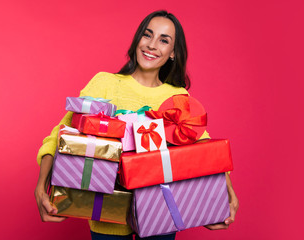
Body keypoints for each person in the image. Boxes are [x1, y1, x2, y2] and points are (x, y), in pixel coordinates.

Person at [35, 10, 239, 240]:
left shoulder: (177, 96)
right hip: (106, 214)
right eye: (147, 35)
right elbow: (61, 134)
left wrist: (226, 194)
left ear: (173, 53)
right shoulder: (105, 83)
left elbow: (205, 147)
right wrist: (42, 185)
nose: (152, 45)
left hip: (161, 213)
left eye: (164, 40)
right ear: (137, 40)